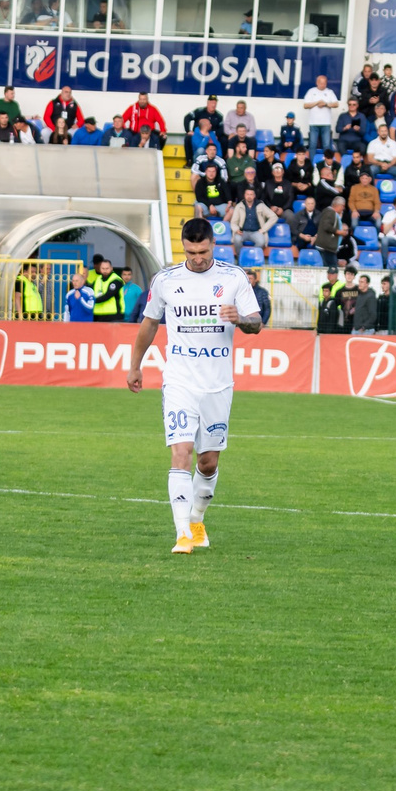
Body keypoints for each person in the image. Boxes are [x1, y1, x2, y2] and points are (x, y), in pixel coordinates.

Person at [127, 217, 264, 554]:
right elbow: (149, 325)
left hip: (218, 384)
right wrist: (135, 365)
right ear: (183, 247)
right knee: (181, 453)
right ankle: (182, 534)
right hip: (179, 381)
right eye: (191, 252)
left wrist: (240, 319)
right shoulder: (166, 280)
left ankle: (198, 518)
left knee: (208, 463)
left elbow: (256, 324)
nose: (198, 258)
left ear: (212, 245)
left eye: (203, 251)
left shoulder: (233, 278)